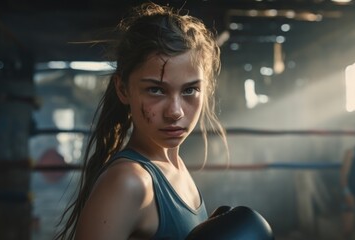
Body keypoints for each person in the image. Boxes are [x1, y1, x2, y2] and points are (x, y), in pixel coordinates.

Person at [54, 3, 228, 239]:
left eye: (189, 90)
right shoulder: (129, 182)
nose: (175, 112)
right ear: (123, 89)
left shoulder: (174, 168)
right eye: (156, 90)